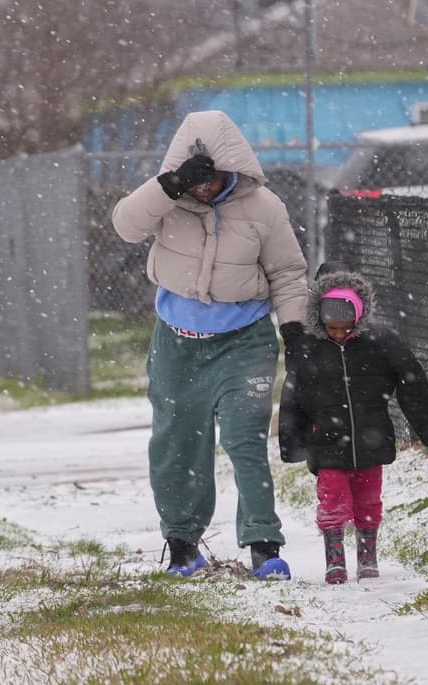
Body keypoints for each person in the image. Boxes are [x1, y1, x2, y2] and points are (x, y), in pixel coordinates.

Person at [111, 110, 308, 580]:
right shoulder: (166, 202)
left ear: (231, 169)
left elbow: (286, 271)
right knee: (177, 441)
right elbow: (125, 224)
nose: (203, 189)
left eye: (211, 178)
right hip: (176, 345)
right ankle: (181, 545)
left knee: (245, 438)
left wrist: (295, 330)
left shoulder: (264, 207)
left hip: (244, 343)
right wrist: (169, 185)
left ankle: (265, 545)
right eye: (194, 179)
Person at [277, 267, 428, 584]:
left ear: (359, 317)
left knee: (369, 500)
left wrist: (427, 427)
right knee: (332, 500)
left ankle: (367, 556)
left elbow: (412, 382)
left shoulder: (380, 343)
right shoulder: (308, 348)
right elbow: (293, 397)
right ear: (320, 321)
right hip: (325, 442)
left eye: (345, 327)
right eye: (332, 328)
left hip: (372, 438)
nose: (338, 334)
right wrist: (292, 441)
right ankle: (335, 559)